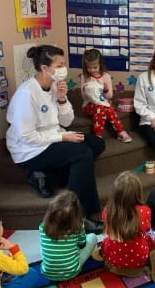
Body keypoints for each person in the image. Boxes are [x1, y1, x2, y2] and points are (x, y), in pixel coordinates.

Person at [6, 44, 104, 233]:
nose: (63, 69)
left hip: (52, 137)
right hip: (30, 150)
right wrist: (62, 137)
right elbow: (28, 137)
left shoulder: (52, 86)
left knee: (97, 144)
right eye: (59, 65)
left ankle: (46, 175)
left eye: (63, 64)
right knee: (82, 154)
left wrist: (61, 99)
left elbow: (67, 120)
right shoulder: (26, 95)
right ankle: (77, 215)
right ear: (44, 68)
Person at [101, 171, 155, 284]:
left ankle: (114, 267)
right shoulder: (145, 211)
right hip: (139, 257)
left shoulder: (107, 211)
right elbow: (147, 230)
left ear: (116, 193)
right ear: (138, 193)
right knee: (149, 240)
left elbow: (108, 232)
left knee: (106, 241)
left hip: (115, 259)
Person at [39, 190, 98, 281]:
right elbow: (82, 245)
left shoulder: (42, 227)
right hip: (72, 272)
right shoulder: (78, 228)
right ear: (77, 214)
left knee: (43, 245)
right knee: (93, 237)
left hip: (47, 272)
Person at [80, 49, 132, 142]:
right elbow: (84, 97)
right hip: (88, 105)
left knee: (104, 106)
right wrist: (88, 89)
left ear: (100, 64)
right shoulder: (85, 76)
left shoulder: (106, 76)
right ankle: (100, 135)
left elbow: (109, 96)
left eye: (95, 67)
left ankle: (119, 132)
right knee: (102, 107)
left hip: (103, 102)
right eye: (89, 67)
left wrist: (105, 89)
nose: (92, 70)